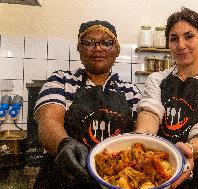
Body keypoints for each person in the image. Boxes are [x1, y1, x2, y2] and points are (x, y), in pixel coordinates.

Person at [135, 7, 198, 189]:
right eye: (174, 39)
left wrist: (189, 151)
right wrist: (141, 143)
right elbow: (150, 111)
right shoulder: (157, 79)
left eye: (189, 36)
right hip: (160, 171)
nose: (181, 45)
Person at [33, 20, 141, 188]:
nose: (98, 48)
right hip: (63, 178)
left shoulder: (131, 92)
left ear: (117, 50)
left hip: (113, 180)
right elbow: (48, 120)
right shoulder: (61, 81)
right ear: (79, 48)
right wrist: (64, 145)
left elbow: (139, 137)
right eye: (89, 42)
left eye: (107, 42)